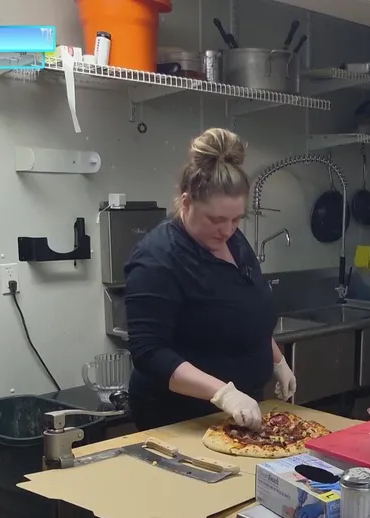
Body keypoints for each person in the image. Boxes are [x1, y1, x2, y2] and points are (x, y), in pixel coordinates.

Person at [125, 128, 296, 431]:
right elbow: (150, 353)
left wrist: (277, 360)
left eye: (236, 219)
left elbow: (246, 311)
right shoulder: (157, 258)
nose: (227, 230)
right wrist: (224, 394)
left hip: (241, 409)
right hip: (179, 417)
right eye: (216, 220)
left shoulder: (232, 240)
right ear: (186, 203)